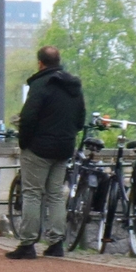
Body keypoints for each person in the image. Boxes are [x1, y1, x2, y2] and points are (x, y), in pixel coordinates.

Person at [8, 45, 85, 260]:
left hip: (39, 148)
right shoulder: (74, 86)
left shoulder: (40, 84)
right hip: (63, 147)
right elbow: (80, 119)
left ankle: (28, 243)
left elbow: (29, 117)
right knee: (55, 194)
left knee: (32, 193)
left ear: (40, 63)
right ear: (58, 61)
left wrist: (25, 142)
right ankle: (56, 242)